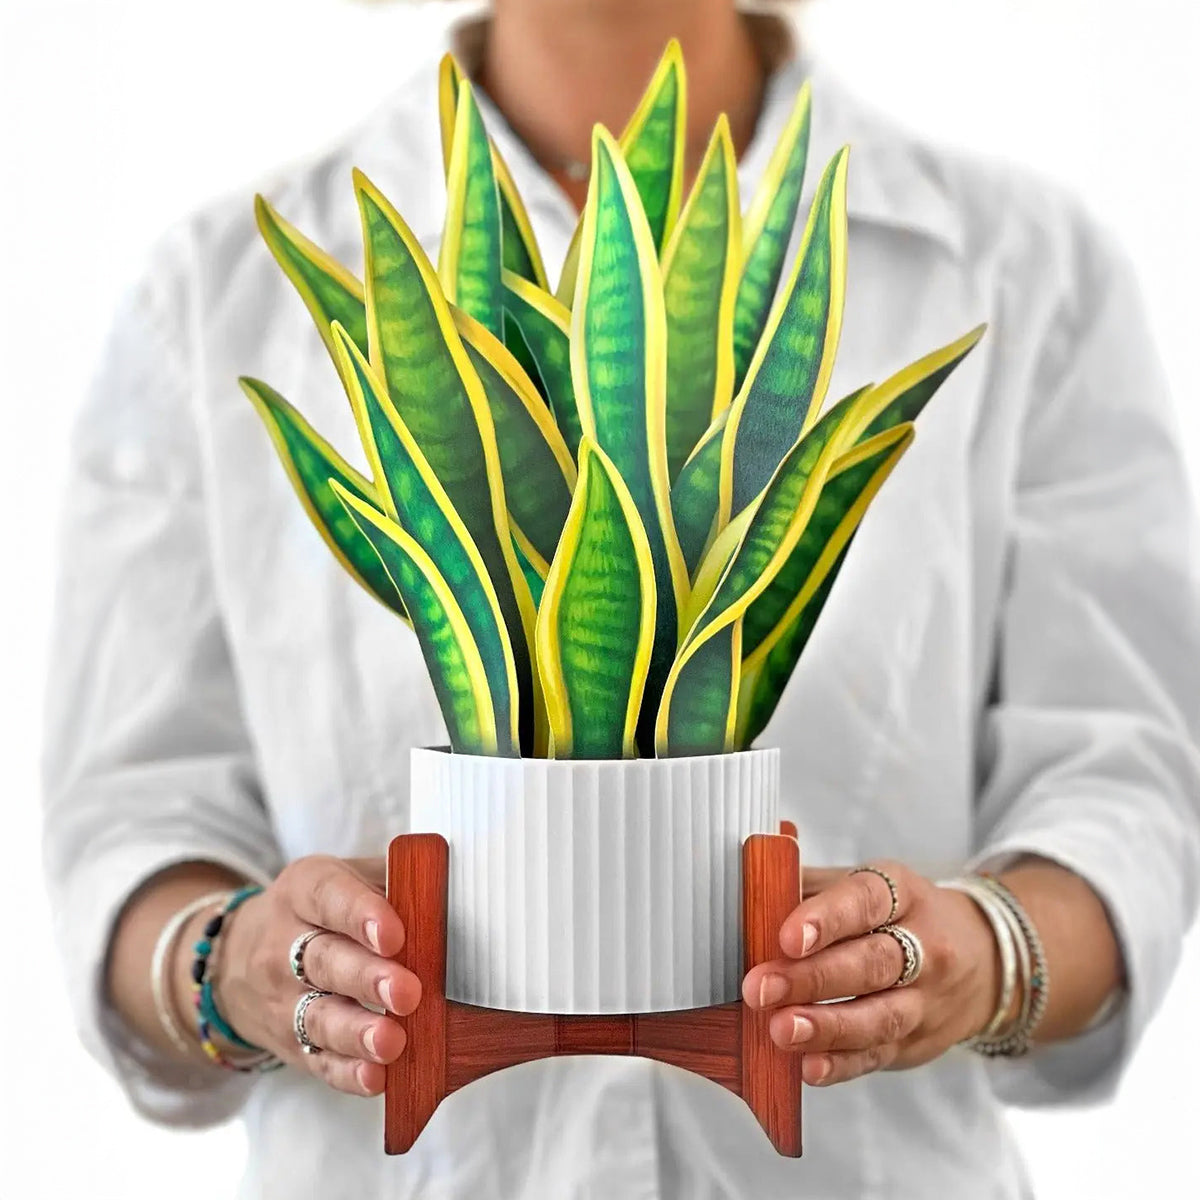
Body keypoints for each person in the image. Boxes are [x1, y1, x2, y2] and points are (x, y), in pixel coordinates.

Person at [42, 0, 1200, 1196]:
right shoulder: (210, 292)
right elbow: (135, 821)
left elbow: (1121, 785)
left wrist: (983, 958)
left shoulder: (1027, 264)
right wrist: (231, 968)